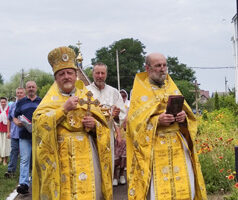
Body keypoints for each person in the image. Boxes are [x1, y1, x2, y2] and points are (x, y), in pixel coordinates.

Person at [32, 46, 112, 200]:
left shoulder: (88, 97)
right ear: (56, 79)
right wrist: (63, 109)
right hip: (60, 160)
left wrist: (95, 127)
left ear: (76, 75)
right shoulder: (49, 101)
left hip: (87, 156)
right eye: (61, 74)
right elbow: (39, 126)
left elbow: (104, 127)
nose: (66, 77)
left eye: (70, 73)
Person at [127, 53, 207, 199]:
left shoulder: (172, 88)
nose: (162, 69)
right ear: (148, 68)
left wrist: (183, 119)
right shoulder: (140, 91)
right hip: (154, 146)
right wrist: (157, 121)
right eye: (158, 65)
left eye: (164, 65)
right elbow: (133, 124)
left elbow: (190, 118)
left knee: (186, 188)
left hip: (177, 146)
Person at [86, 62, 126, 182]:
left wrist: (117, 116)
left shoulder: (114, 92)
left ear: (106, 74)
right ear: (93, 74)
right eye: (97, 73)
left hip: (108, 137)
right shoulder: (85, 91)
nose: (100, 76)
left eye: (102, 73)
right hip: (90, 136)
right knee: (92, 169)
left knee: (107, 168)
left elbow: (122, 116)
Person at [14, 81, 41, 194]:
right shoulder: (20, 102)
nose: (31, 88)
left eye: (32, 87)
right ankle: (24, 184)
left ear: (36, 88)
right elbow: (15, 117)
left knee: (38, 159)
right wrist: (17, 123)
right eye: (29, 87)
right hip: (24, 135)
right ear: (26, 89)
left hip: (38, 136)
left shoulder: (42, 101)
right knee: (25, 160)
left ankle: (39, 182)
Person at [5, 87, 26, 178]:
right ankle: (10, 171)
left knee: (25, 154)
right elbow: (9, 119)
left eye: (21, 93)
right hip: (14, 133)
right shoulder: (13, 105)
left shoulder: (27, 103)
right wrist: (8, 132)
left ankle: (27, 172)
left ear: (24, 94)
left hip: (25, 134)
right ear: (16, 94)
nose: (19, 94)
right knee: (14, 152)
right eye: (18, 93)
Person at [0, 97, 10, 166]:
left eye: (4, 102)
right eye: (1, 102)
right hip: (0, 129)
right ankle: (0, 157)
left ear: (6, 102)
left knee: (6, 145)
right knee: (0, 144)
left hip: (7, 129)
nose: (3, 103)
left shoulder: (9, 109)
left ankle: (5, 159)